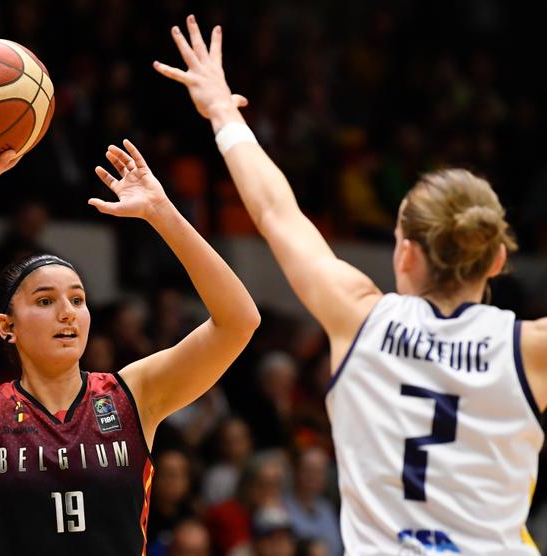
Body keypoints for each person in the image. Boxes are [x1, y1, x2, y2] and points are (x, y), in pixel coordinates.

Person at [156, 15, 547, 554]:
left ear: (405, 252)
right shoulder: (531, 349)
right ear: (499, 259)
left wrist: (222, 111)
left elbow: (275, 212)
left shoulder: (358, 315)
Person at [0, 143, 260, 556]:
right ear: (6, 326)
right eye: (46, 301)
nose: (67, 313)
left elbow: (239, 320)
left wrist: (162, 213)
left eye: (78, 299)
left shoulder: (133, 396)